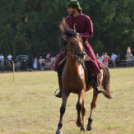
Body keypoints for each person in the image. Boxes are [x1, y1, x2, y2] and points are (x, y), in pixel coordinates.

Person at [54, 0, 102, 98]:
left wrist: (79, 36)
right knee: (59, 60)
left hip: (83, 44)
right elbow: (64, 33)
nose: (67, 10)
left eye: (69, 8)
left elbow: (90, 33)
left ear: (75, 8)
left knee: (93, 61)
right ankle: (61, 88)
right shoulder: (67, 19)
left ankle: (96, 85)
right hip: (70, 45)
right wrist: (68, 37)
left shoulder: (86, 18)